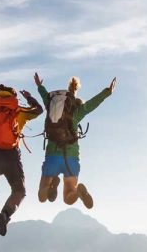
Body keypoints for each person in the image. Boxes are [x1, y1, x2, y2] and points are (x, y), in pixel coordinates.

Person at [34, 72, 115, 208]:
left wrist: (39, 86)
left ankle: (51, 186)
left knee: (42, 196)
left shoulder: (51, 106)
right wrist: (107, 92)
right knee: (68, 198)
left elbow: (44, 96)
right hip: (71, 159)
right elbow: (92, 104)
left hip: (52, 156)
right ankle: (78, 192)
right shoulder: (78, 113)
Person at [0, 83, 42, 235]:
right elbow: (39, 110)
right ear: (14, 98)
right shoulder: (19, 111)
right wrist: (28, 97)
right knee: (19, 190)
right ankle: (5, 215)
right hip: (11, 156)